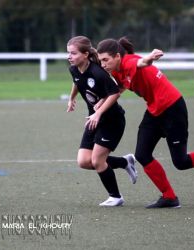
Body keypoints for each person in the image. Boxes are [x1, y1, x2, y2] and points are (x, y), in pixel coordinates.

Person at [96, 37, 194, 208]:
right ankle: (169, 197)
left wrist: (151, 56)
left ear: (117, 56)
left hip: (172, 108)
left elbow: (142, 63)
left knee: (181, 162)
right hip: (154, 110)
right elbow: (123, 86)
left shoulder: (130, 61)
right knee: (142, 154)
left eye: (105, 60)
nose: (103, 64)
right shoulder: (116, 71)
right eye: (100, 61)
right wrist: (104, 100)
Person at [66, 36, 137, 207]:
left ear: (85, 54)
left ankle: (116, 197)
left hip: (112, 120)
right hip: (94, 118)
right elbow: (77, 82)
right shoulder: (74, 69)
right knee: (84, 161)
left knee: (97, 161)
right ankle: (124, 162)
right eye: (68, 53)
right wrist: (71, 98)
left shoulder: (98, 72)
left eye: (73, 53)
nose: (69, 57)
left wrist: (98, 114)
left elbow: (114, 92)